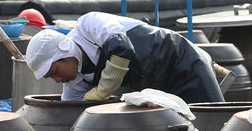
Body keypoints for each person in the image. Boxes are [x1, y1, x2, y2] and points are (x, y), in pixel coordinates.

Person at [25, 11, 224, 103]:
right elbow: (70, 113)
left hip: (183, 64)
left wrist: (104, 90)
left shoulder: (88, 25)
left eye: (54, 72)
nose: (58, 80)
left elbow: (121, 47)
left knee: (209, 123)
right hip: (156, 90)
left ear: (65, 51)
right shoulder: (75, 82)